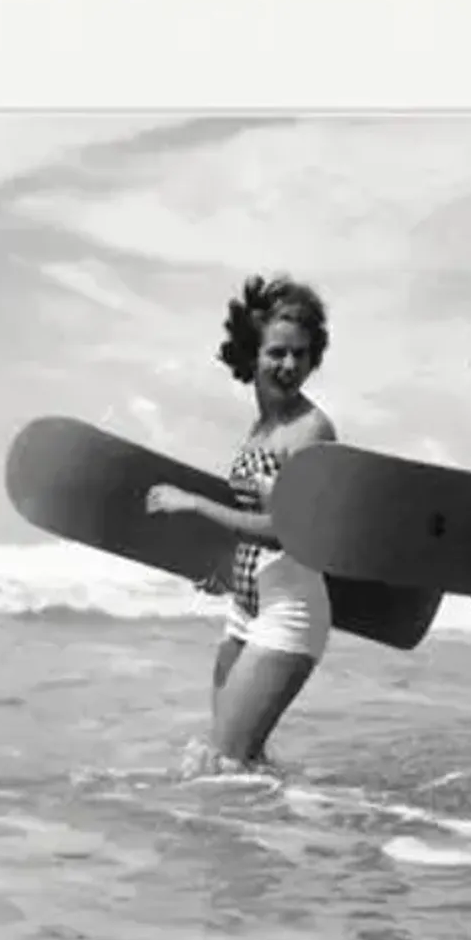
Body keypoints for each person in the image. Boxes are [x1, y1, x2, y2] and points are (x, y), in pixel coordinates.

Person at [145, 275, 337, 769]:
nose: (290, 365)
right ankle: (286, 835)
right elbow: (252, 523)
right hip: (244, 610)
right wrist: (225, 571)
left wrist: (195, 504)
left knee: (220, 763)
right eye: (277, 352)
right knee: (239, 764)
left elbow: (287, 531)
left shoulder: (310, 430)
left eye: (300, 353)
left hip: (288, 612)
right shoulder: (258, 431)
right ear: (250, 353)